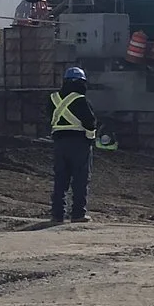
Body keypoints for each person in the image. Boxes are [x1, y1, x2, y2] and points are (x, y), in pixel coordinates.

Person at [49, 65, 99, 223]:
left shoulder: (53, 99)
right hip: (79, 143)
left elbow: (48, 118)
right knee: (80, 179)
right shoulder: (81, 100)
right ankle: (78, 214)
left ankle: (57, 215)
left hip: (59, 143)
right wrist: (90, 139)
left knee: (60, 179)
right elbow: (90, 122)